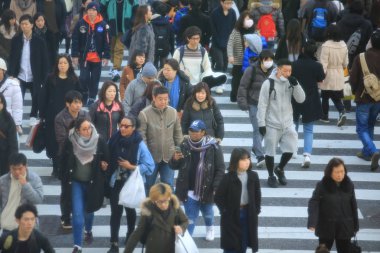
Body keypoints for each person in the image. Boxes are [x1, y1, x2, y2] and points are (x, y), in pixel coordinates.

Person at [60, 118, 109, 253]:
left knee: (89, 212)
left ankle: (88, 230)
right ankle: (77, 245)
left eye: (90, 128)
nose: (88, 131)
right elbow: (63, 159)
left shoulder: (99, 140)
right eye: (84, 129)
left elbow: (107, 159)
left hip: (92, 183)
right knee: (77, 214)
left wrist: (104, 166)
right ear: (77, 131)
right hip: (76, 182)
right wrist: (64, 178)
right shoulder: (70, 140)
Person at [170, 119, 225, 241]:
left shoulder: (213, 146)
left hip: (207, 188)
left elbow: (220, 169)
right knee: (190, 218)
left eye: (196, 131)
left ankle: (210, 227)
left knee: (208, 214)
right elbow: (173, 166)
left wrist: (216, 186)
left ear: (203, 132)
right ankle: (187, 243)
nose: (193, 133)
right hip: (188, 189)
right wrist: (175, 159)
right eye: (191, 130)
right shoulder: (184, 145)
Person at [107, 116, 155, 253]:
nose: (122, 128)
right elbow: (106, 154)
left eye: (126, 126)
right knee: (115, 212)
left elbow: (150, 166)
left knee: (130, 210)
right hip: (116, 181)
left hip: (132, 182)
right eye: (121, 125)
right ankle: (114, 243)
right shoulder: (114, 139)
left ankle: (130, 234)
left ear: (133, 128)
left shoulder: (139, 144)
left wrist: (132, 166)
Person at [257, 58, 305, 188]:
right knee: (270, 151)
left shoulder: (290, 82)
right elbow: (262, 104)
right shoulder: (268, 83)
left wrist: (296, 85)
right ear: (278, 69)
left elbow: (301, 99)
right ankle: (271, 175)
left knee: (291, 148)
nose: (288, 73)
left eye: (290, 71)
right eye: (285, 71)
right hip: (272, 123)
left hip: (288, 123)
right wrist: (261, 123)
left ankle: (280, 168)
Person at [39, 54, 82, 178]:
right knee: (53, 142)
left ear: (69, 65)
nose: (62, 65)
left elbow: (80, 95)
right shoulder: (50, 78)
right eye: (60, 63)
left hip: (70, 116)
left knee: (69, 141)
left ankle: (66, 167)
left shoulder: (74, 79)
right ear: (57, 65)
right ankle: (55, 167)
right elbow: (44, 97)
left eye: (65, 63)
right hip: (52, 115)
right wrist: (42, 114)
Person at [55, 90, 91, 230]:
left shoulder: (85, 114)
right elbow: (62, 140)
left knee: (82, 187)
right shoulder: (60, 118)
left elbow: (90, 132)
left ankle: (79, 215)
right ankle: (65, 217)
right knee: (66, 189)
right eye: (75, 102)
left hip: (84, 156)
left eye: (80, 102)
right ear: (67, 104)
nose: (78, 105)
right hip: (67, 157)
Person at [307, 157, 359, 253]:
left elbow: (353, 206)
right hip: (326, 226)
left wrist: (355, 225)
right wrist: (312, 222)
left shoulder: (349, 185)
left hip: (345, 227)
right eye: (337, 172)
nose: (340, 175)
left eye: (342, 171)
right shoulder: (322, 185)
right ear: (330, 172)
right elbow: (314, 203)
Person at [215, 148, 261, 253]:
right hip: (231, 215)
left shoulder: (253, 176)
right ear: (236, 161)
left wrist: (256, 210)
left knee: (243, 243)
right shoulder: (227, 178)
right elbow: (218, 197)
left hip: (248, 213)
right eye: (243, 160)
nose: (247, 162)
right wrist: (225, 211)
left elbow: (257, 195)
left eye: (248, 159)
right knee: (231, 245)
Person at [138, 86, 183, 192]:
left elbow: (178, 134)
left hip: (169, 156)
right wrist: (146, 156)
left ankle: (169, 208)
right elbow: (142, 137)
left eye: (166, 99)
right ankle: (148, 208)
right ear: (154, 97)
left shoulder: (173, 112)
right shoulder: (144, 114)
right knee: (148, 186)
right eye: (160, 99)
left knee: (168, 186)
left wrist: (179, 151)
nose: (163, 101)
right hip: (150, 158)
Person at [8, 14, 49, 126]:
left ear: (32, 25)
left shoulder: (39, 41)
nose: (24, 26)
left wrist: (45, 77)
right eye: (22, 24)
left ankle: (33, 115)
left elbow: (45, 60)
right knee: (17, 98)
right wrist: (11, 74)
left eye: (26, 24)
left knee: (36, 97)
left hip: (34, 75)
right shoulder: (16, 40)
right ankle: (17, 120)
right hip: (20, 75)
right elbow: (11, 58)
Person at [124, 183, 189, 253]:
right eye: (160, 202)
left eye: (166, 201)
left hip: (172, 248)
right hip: (153, 248)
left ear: (169, 197)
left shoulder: (174, 206)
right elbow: (137, 233)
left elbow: (185, 221)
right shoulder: (148, 211)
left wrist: (181, 228)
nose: (163, 205)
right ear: (153, 200)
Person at [237, 49, 275, 167]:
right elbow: (243, 86)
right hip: (254, 103)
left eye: (271, 59)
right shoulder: (251, 70)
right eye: (266, 60)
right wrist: (243, 102)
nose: (269, 62)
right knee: (257, 129)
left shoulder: (275, 71)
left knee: (265, 129)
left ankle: (255, 148)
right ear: (261, 60)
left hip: (269, 105)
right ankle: (259, 155)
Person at [349, 29, 380, 171]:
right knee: (371, 124)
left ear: (371, 42)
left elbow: (353, 78)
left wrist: (355, 91)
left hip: (363, 97)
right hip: (378, 98)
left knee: (361, 128)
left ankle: (372, 150)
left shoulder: (361, 57)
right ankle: (366, 152)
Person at [292, 40, 325, 168]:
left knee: (293, 126)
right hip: (311, 99)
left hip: (295, 98)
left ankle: (292, 150)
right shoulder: (317, 66)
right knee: (308, 129)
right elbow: (321, 78)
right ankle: (307, 155)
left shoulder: (294, 64)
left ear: (303, 50)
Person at [71, 1, 110, 106]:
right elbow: (75, 40)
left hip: (97, 58)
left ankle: (92, 97)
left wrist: (106, 55)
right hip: (85, 57)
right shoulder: (81, 23)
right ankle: (84, 94)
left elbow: (107, 41)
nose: (91, 12)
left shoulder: (103, 24)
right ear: (86, 10)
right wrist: (74, 55)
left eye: (94, 10)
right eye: (89, 10)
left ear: (97, 12)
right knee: (83, 78)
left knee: (95, 79)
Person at [173, 26, 227, 93]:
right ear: (188, 38)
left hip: (197, 84)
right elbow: (173, 67)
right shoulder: (179, 51)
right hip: (182, 84)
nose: (196, 41)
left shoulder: (202, 51)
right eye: (193, 38)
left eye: (197, 38)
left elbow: (207, 67)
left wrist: (208, 79)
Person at [0, 153, 44, 235]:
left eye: (20, 169)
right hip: (7, 227)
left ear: (26, 166)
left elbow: (38, 199)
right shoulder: (2, 181)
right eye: (14, 169)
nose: (17, 172)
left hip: (27, 228)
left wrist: (25, 185)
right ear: (10, 167)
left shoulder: (34, 179)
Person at [100, 0, 139, 82]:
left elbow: (136, 11)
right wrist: (105, 21)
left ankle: (115, 69)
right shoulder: (107, 1)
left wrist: (132, 22)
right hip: (111, 28)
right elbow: (102, 10)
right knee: (112, 48)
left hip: (124, 29)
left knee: (119, 49)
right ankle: (115, 65)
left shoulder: (131, 1)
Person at [318, 24, 348, 126]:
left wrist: (321, 76)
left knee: (325, 95)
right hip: (339, 72)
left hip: (328, 74)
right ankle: (338, 112)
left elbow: (323, 63)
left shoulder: (326, 45)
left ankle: (327, 115)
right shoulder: (343, 45)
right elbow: (345, 63)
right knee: (336, 95)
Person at [227, 11, 255, 102]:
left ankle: (245, 97)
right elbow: (230, 44)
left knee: (248, 80)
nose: (249, 21)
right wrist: (230, 56)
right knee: (236, 79)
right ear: (242, 20)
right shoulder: (236, 31)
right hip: (238, 60)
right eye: (247, 19)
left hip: (250, 60)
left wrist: (250, 44)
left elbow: (259, 45)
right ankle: (234, 95)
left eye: (250, 19)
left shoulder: (254, 31)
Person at [36, 0, 67, 71]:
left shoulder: (60, 2)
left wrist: (61, 30)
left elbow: (64, 17)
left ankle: (52, 73)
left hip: (55, 33)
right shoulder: (39, 2)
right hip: (41, 32)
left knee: (53, 55)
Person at [210, 0, 236, 73]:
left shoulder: (232, 12)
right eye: (227, 3)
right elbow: (212, 28)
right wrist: (217, 40)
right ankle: (217, 77)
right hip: (217, 42)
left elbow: (234, 27)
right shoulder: (215, 13)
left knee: (225, 64)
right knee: (220, 63)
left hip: (228, 43)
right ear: (221, 2)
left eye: (230, 3)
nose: (229, 5)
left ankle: (222, 78)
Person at [0, 58, 23, 135]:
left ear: (4, 70)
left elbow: (17, 107)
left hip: (8, 125)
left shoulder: (13, 85)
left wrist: (17, 124)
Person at [150, 1, 175, 69]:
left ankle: (153, 78)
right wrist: (172, 50)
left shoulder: (151, 22)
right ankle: (162, 78)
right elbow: (171, 38)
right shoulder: (168, 23)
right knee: (164, 67)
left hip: (153, 48)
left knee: (153, 67)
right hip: (165, 48)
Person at [0, 93, 18, 176]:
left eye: (0, 102)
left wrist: (14, 161)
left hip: (4, 156)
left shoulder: (8, 119)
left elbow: (13, 143)